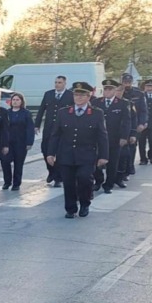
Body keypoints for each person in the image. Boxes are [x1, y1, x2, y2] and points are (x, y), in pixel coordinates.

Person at [46, 81, 108, 219]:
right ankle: (70, 208)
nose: (78, 98)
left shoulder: (96, 113)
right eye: (76, 95)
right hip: (66, 154)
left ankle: (85, 203)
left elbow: (102, 136)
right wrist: (51, 153)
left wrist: (103, 156)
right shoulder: (64, 113)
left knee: (85, 179)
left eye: (82, 95)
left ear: (88, 96)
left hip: (87, 154)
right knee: (68, 183)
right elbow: (55, 134)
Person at [91, 80, 131, 194]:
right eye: (106, 89)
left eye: (110, 89)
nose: (107, 91)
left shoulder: (122, 103)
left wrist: (124, 137)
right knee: (96, 161)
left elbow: (126, 121)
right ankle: (98, 181)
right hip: (97, 139)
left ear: (114, 90)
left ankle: (108, 185)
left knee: (112, 163)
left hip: (114, 138)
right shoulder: (96, 102)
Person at [35, 75, 70, 186]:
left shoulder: (70, 95)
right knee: (45, 149)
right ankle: (51, 171)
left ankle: (58, 177)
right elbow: (41, 110)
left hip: (63, 129)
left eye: (59, 82)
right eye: (55, 82)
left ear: (64, 83)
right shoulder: (48, 94)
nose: (57, 84)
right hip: (49, 127)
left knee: (59, 152)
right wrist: (36, 125)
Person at [0, 93, 35, 190]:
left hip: (21, 142)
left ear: (21, 101)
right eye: (13, 100)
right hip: (7, 142)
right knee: (5, 161)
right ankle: (7, 182)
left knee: (18, 163)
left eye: (17, 100)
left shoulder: (26, 113)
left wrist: (29, 142)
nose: (15, 101)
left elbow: (30, 128)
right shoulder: (6, 113)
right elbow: (2, 128)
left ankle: (16, 183)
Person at [120, 72, 148, 175]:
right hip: (121, 124)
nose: (127, 84)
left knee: (132, 145)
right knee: (121, 148)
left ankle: (130, 166)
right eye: (125, 82)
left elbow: (143, 110)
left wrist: (142, 123)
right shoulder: (118, 92)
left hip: (134, 123)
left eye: (129, 82)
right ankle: (121, 168)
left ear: (132, 82)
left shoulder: (138, 93)